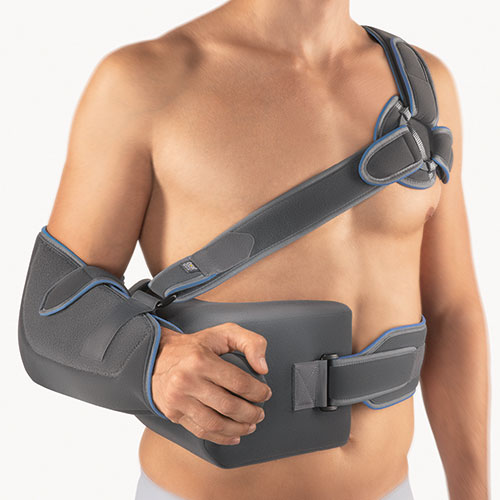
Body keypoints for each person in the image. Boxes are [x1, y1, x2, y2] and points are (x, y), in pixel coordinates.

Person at [40, 0, 488, 498]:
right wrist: (155, 361)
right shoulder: (144, 82)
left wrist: (473, 490)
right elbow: (52, 315)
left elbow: (452, 311)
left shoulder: (422, 87)